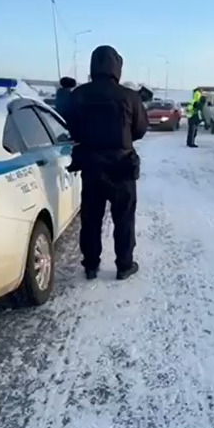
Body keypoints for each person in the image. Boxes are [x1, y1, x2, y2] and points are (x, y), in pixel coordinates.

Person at [66, 45, 148, 281]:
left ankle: (91, 265)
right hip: (122, 166)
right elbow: (140, 130)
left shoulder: (79, 94)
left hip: (91, 165)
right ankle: (124, 265)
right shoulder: (130, 96)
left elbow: (71, 127)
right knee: (124, 219)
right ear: (117, 67)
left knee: (91, 219)